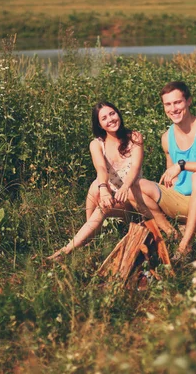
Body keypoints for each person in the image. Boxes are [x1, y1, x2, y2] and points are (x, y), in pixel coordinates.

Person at [134, 81, 196, 262]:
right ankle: (171, 234)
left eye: (177, 102)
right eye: (168, 104)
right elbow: (172, 177)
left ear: (188, 101)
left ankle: (185, 247)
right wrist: (168, 186)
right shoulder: (166, 138)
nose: (173, 109)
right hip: (184, 202)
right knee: (137, 185)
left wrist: (183, 165)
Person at [48, 101, 144, 260]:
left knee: (102, 208)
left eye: (112, 114)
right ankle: (90, 234)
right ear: (99, 124)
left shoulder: (133, 137)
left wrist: (125, 187)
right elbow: (101, 168)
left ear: (118, 114)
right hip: (114, 195)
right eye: (104, 118)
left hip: (132, 197)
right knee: (95, 186)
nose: (111, 119)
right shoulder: (97, 144)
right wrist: (104, 189)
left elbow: (135, 167)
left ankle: (66, 250)